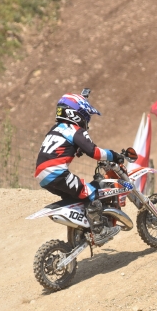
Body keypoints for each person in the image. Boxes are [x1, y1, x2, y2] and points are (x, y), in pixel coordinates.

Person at [34, 91, 123, 240]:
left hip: (42, 176)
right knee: (92, 193)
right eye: (85, 115)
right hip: (57, 174)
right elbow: (95, 152)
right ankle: (100, 232)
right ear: (75, 114)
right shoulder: (75, 130)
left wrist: (77, 148)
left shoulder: (55, 129)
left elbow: (58, 149)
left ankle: (78, 232)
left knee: (77, 200)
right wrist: (114, 155)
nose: (86, 119)